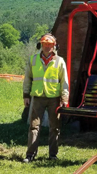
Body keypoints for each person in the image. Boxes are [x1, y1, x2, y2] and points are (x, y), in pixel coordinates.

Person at [22, 33, 69, 162]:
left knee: (55, 127)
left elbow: (64, 81)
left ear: (54, 46)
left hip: (54, 98)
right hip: (37, 97)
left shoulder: (60, 61)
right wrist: (26, 95)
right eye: (45, 44)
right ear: (40, 45)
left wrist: (64, 99)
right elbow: (27, 79)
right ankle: (30, 155)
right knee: (34, 126)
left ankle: (53, 155)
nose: (47, 47)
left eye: (50, 45)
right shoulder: (33, 59)